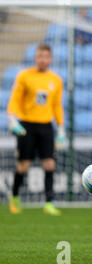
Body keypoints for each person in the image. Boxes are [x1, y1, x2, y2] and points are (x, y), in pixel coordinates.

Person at [7, 43, 66, 216]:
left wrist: (61, 129)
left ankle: (49, 203)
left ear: (51, 59)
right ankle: (15, 196)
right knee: (23, 166)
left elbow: (57, 106)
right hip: (27, 125)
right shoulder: (24, 76)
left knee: (49, 164)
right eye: (40, 56)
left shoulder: (56, 80)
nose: (43, 60)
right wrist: (12, 120)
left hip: (46, 126)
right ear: (35, 58)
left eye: (46, 56)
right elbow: (15, 100)